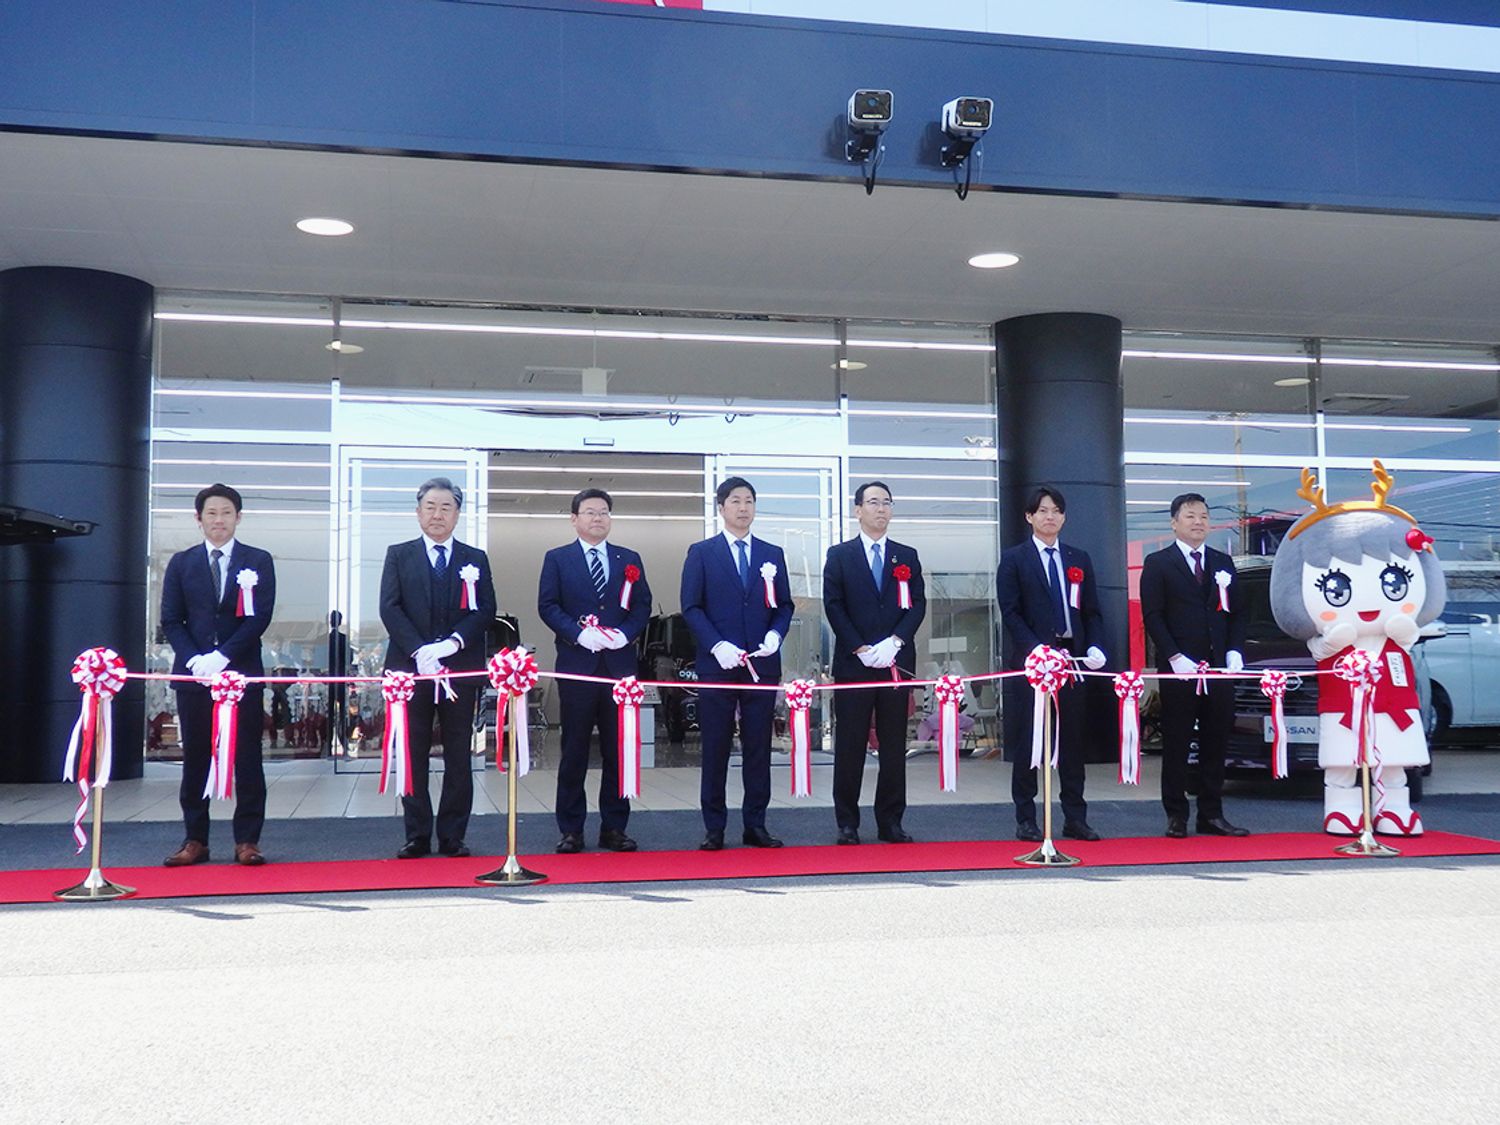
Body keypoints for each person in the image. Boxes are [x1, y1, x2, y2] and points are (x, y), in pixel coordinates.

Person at [159, 483, 276, 867]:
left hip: (241, 675)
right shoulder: (182, 563)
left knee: (247, 757)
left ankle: (248, 841)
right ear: (199, 519)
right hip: (195, 677)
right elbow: (171, 620)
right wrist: (196, 660)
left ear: (238, 517)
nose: (219, 520)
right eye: (211, 513)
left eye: (226, 513)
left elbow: (259, 617)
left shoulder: (258, 560)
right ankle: (195, 839)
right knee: (196, 756)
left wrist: (223, 657)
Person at [379, 477, 497, 858]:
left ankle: (452, 835)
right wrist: (420, 650)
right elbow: (389, 608)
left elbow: (485, 609)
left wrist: (452, 643)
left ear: (457, 514)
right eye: (430, 507)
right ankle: (417, 834)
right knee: (412, 752)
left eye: (446, 507)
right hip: (410, 671)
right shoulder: (399, 555)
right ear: (418, 512)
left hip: (459, 669)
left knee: (458, 754)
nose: (437, 514)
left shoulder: (475, 558)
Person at [537, 488, 653, 854]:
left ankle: (614, 827)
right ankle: (571, 829)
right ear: (574, 519)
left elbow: (642, 605)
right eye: (590, 512)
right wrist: (578, 633)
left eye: (603, 512)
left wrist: (625, 634)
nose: (598, 518)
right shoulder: (557, 559)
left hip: (619, 668)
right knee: (574, 749)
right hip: (578, 666)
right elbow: (548, 605)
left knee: (618, 750)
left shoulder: (628, 559)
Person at [680, 476, 793, 850]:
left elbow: (784, 605)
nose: (743, 508)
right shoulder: (702, 552)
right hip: (719, 666)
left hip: (761, 665)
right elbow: (691, 606)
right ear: (721, 507)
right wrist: (716, 645)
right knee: (715, 746)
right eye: (735, 501)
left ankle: (755, 824)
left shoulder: (772, 553)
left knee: (758, 747)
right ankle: (714, 826)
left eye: (749, 501)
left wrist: (776, 634)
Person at [995, 486, 1108, 842]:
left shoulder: (1078, 558)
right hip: (1034, 665)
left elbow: (1091, 611)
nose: (1050, 516)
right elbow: (1011, 612)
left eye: (1056, 510)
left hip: (1072, 663)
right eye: (1043, 510)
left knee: (1072, 741)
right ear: (1029, 516)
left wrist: (1095, 646)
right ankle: (1026, 818)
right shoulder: (1014, 559)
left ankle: (1075, 816)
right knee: (1031, 742)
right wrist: (1039, 651)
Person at [1139, 492, 1250, 838]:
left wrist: (1234, 651)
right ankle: (1176, 814)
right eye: (1190, 516)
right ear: (1174, 523)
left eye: (1203, 516)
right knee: (1177, 741)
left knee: (1216, 741)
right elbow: (1153, 616)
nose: (1198, 522)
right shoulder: (1158, 563)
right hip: (1181, 669)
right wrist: (1174, 656)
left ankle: (1211, 814)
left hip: (1218, 669)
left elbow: (1237, 613)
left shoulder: (1222, 562)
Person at [823, 481, 926, 844]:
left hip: (895, 662)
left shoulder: (906, 556)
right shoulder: (840, 555)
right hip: (855, 664)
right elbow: (833, 605)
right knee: (850, 743)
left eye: (886, 502)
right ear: (858, 510)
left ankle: (891, 821)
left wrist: (896, 641)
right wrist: (860, 647)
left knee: (894, 744)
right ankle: (847, 822)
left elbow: (917, 603)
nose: (881, 509)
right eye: (873, 502)